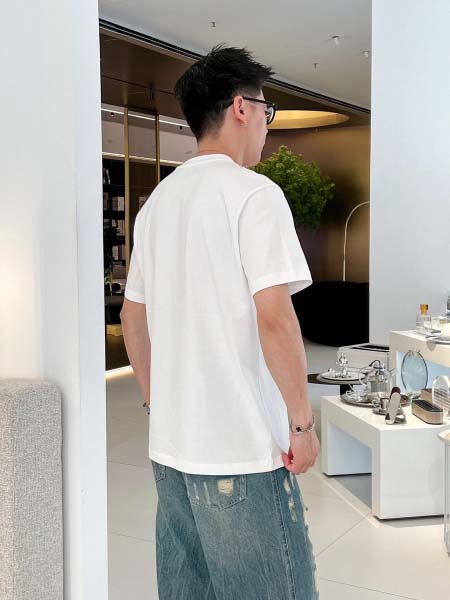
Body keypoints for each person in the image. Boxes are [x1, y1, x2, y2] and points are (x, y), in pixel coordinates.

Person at [120, 44, 320, 600]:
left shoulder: (157, 203)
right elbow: (275, 320)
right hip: (241, 449)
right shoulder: (255, 194)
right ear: (241, 107)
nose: (265, 126)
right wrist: (301, 426)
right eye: (266, 111)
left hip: (171, 450)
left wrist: (157, 404)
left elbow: (132, 316)